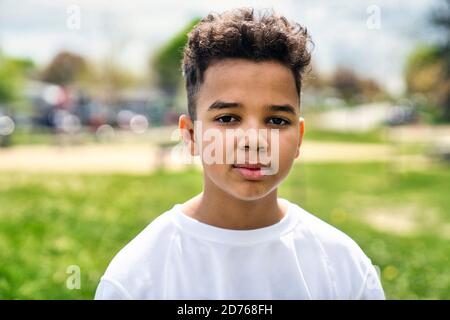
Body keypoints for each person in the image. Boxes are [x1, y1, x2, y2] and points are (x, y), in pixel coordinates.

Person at [95, 7, 385, 300]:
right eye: (227, 119)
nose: (254, 141)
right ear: (191, 135)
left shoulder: (345, 268)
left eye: (276, 121)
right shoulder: (137, 278)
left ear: (298, 138)